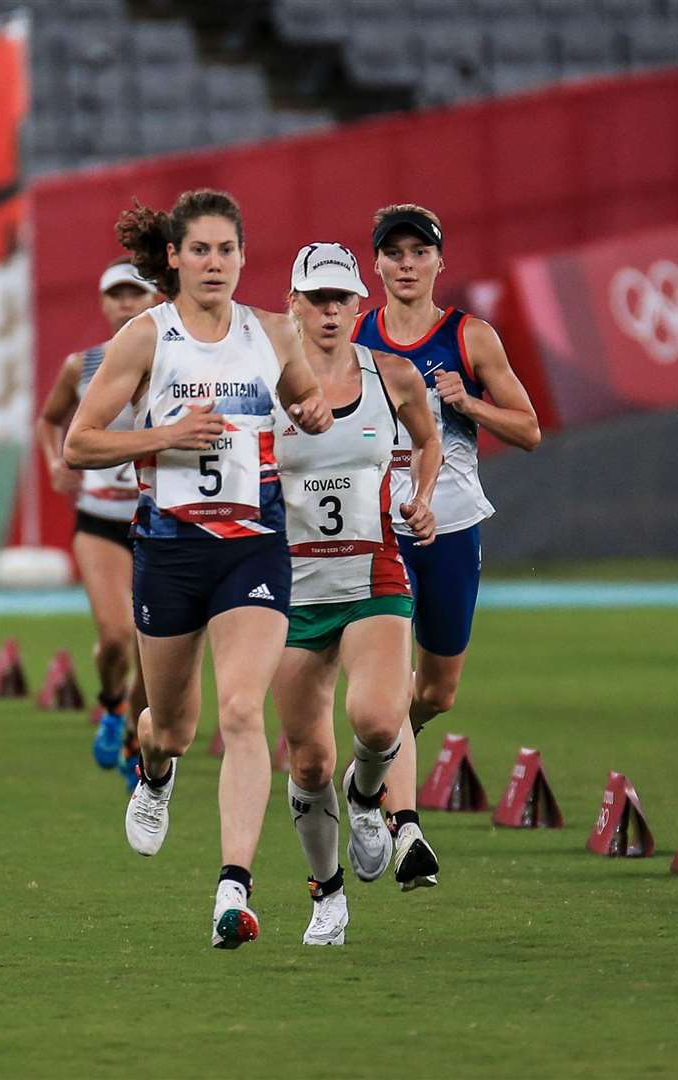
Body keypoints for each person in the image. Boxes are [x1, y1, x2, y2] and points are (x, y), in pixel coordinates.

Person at [64, 189, 333, 949]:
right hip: (169, 553)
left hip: (251, 548)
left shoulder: (274, 334)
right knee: (173, 727)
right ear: (174, 259)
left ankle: (232, 891)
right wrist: (164, 437)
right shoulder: (145, 339)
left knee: (244, 711)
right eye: (200, 250)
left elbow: (307, 401)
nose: (214, 263)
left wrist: (311, 410)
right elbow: (78, 445)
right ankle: (153, 769)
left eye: (227, 250)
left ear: (244, 257)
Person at [351, 205, 542, 888]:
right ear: (374, 264)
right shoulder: (352, 338)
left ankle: (371, 764)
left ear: (438, 260)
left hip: (453, 527)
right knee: (386, 669)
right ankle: (405, 832)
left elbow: (528, 431)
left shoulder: (470, 338)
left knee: (434, 693)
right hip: (377, 531)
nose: (405, 264)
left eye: (417, 252)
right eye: (392, 253)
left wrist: (469, 405)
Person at [271, 242, 440, 945]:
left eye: (341, 298)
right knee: (307, 759)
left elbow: (427, 441)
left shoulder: (393, 375)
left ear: (358, 305)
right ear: (294, 305)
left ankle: (367, 796)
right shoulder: (262, 383)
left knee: (376, 721)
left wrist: (421, 499)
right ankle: (326, 895)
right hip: (290, 589)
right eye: (316, 298)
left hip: (374, 575)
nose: (330, 311)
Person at [34, 258, 161, 785]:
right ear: (104, 304)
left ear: (153, 299)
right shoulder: (81, 365)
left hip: (158, 520)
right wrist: (53, 460)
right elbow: (48, 419)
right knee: (115, 636)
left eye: (136, 293)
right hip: (101, 518)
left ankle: (135, 735)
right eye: (117, 295)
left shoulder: (176, 361)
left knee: (151, 647)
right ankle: (111, 706)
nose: (126, 303)